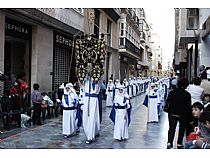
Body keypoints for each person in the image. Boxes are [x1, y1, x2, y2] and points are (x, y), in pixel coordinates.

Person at [166, 78, 192, 149]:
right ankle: (179, 143)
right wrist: (190, 117)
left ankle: (169, 142)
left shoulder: (172, 92)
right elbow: (188, 107)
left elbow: (168, 102)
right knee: (182, 128)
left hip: (172, 113)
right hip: (182, 114)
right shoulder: (187, 95)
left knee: (172, 128)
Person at [82, 75, 101, 144]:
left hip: (93, 101)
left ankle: (90, 136)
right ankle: (89, 133)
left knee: (92, 118)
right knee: (85, 118)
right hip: (87, 100)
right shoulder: (86, 83)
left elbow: (97, 91)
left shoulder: (97, 84)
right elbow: (83, 90)